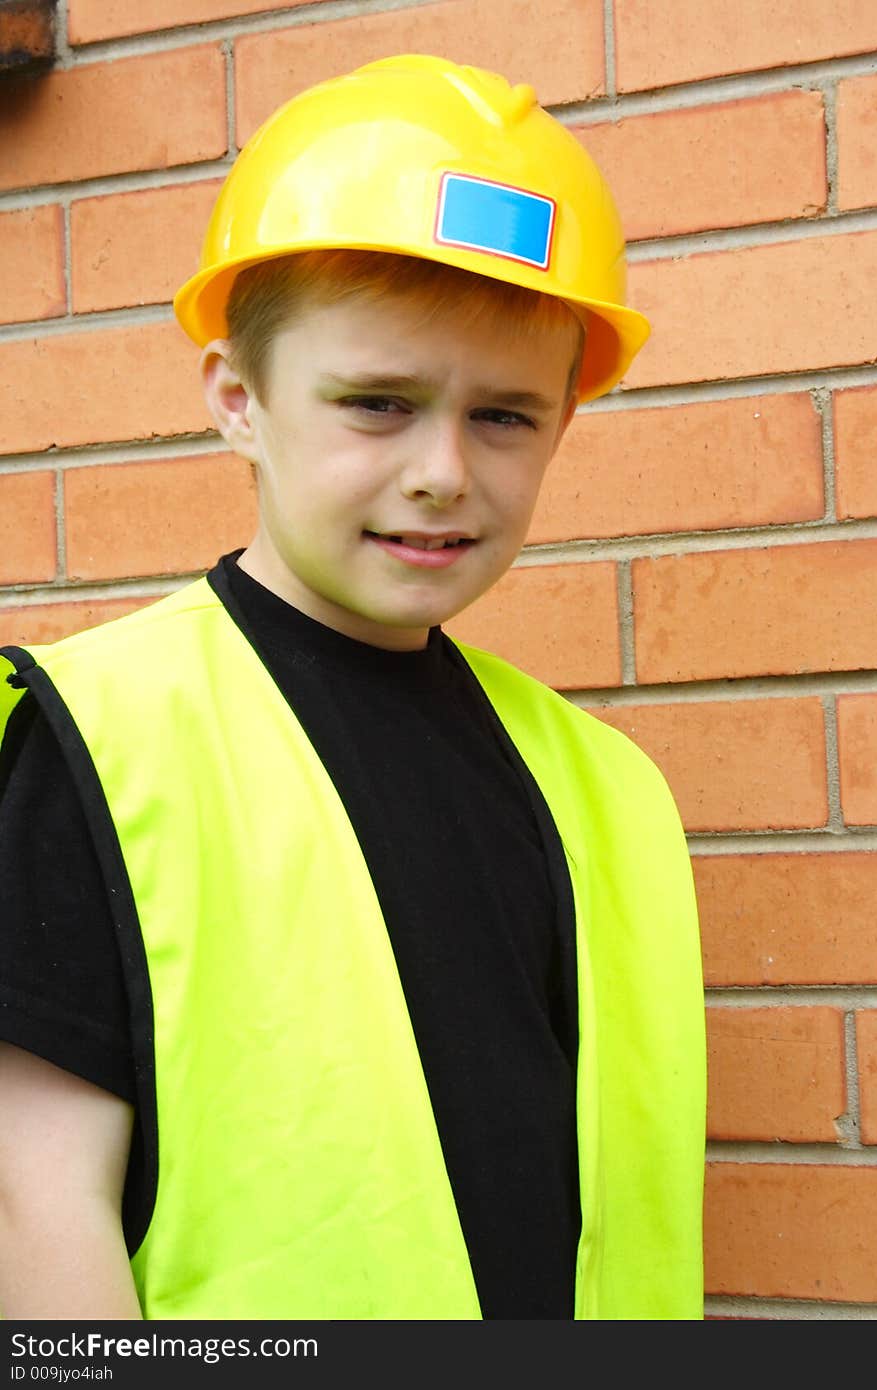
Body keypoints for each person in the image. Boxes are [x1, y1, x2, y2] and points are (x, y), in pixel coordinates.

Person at [0, 54, 705, 1321]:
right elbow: (32, 1207)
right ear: (238, 400)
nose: (442, 470)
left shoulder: (606, 791)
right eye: (378, 404)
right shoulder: (99, 738)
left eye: (504, 417)